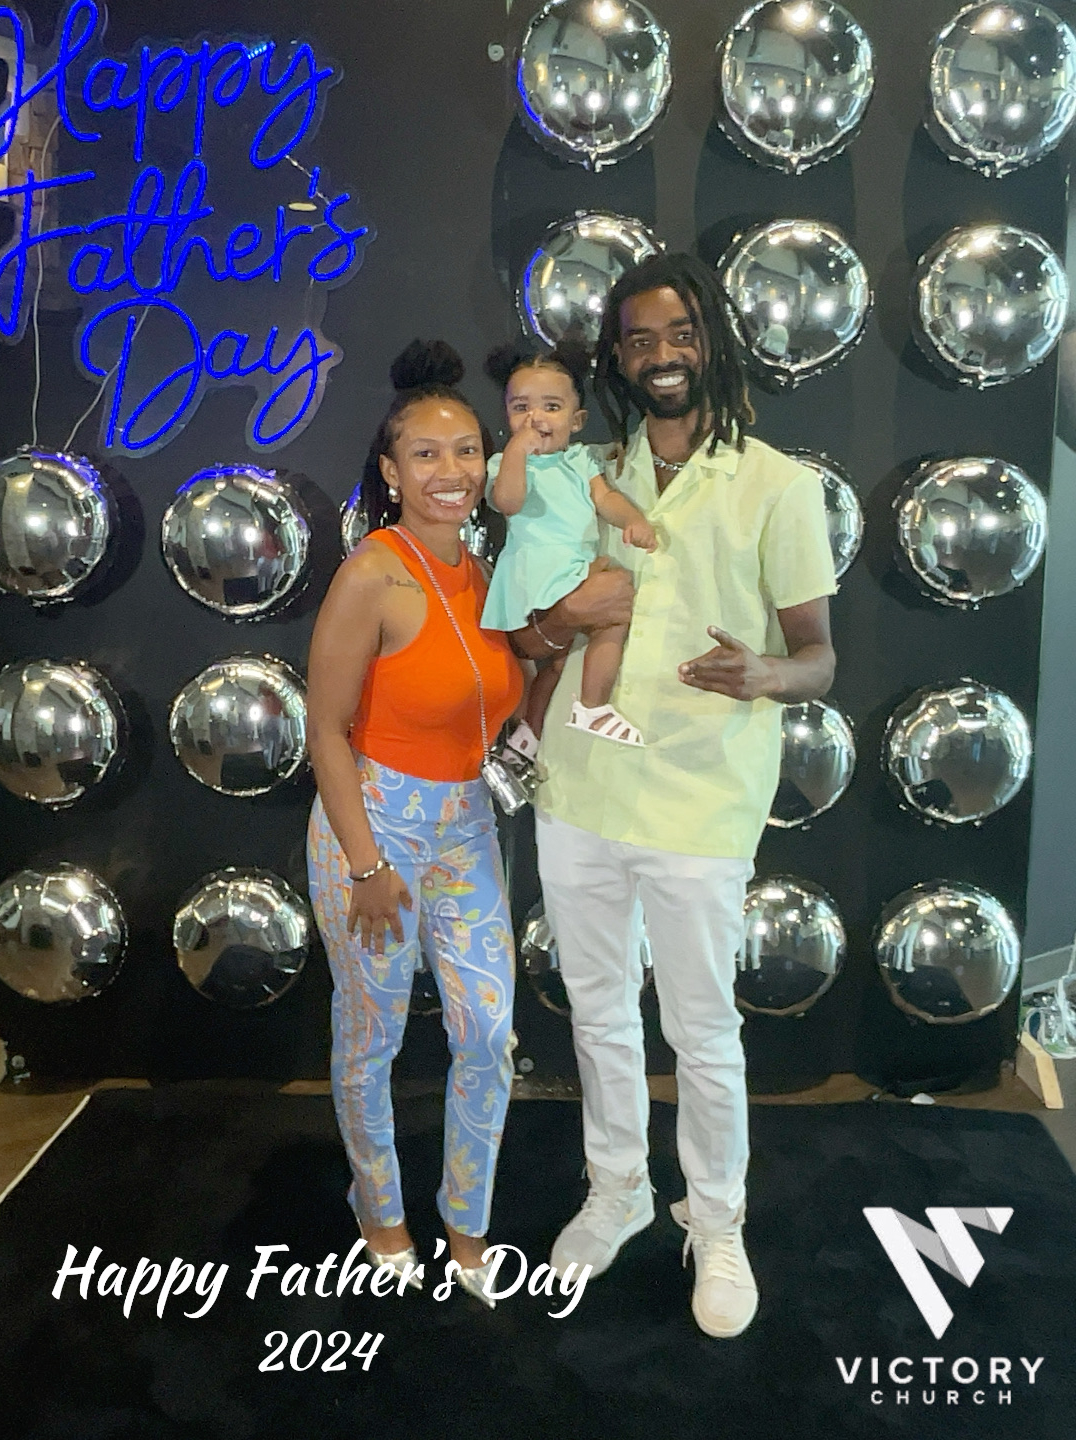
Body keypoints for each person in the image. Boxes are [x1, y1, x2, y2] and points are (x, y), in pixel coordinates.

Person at [514, 254, 838, 1338]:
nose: (662, 355)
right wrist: (562, 621)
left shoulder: (778, 485)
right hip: (580, 789)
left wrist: (764, 674)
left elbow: (820, 658)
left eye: (681, 333)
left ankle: (719, 1218)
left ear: (714, 342)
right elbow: (532, 632)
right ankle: (617, 1190)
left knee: (703, 1029)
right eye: (641, 339)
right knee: (598, 1011)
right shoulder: (582, 473)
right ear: (616, 358)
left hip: (701, 799)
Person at [305, 340, 525, 1307]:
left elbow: (499, 698)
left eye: (466, 450)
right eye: (426, 453)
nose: (451, 470)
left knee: (489, 1030)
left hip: (467, 824)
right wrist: (364, 865)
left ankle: (466, 1218)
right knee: (373, 1034)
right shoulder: (373, 573)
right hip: (374, 829)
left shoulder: (488, 570)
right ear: (391, 472)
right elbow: (323, 727)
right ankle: (380, 1209)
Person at [480, 340, 656, 745]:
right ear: (507, 415)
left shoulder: (579, 460)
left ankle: (531, 733)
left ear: (577, 421)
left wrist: (633, 520)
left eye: (551, 407)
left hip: (575, 566)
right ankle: (593, 706)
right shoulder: (504, 463)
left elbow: (605, 499)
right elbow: (508, 501)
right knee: (611, 619)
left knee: (560, 664)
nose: (535, 417)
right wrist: (516, 452)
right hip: (538, 569)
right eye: (521, 407)